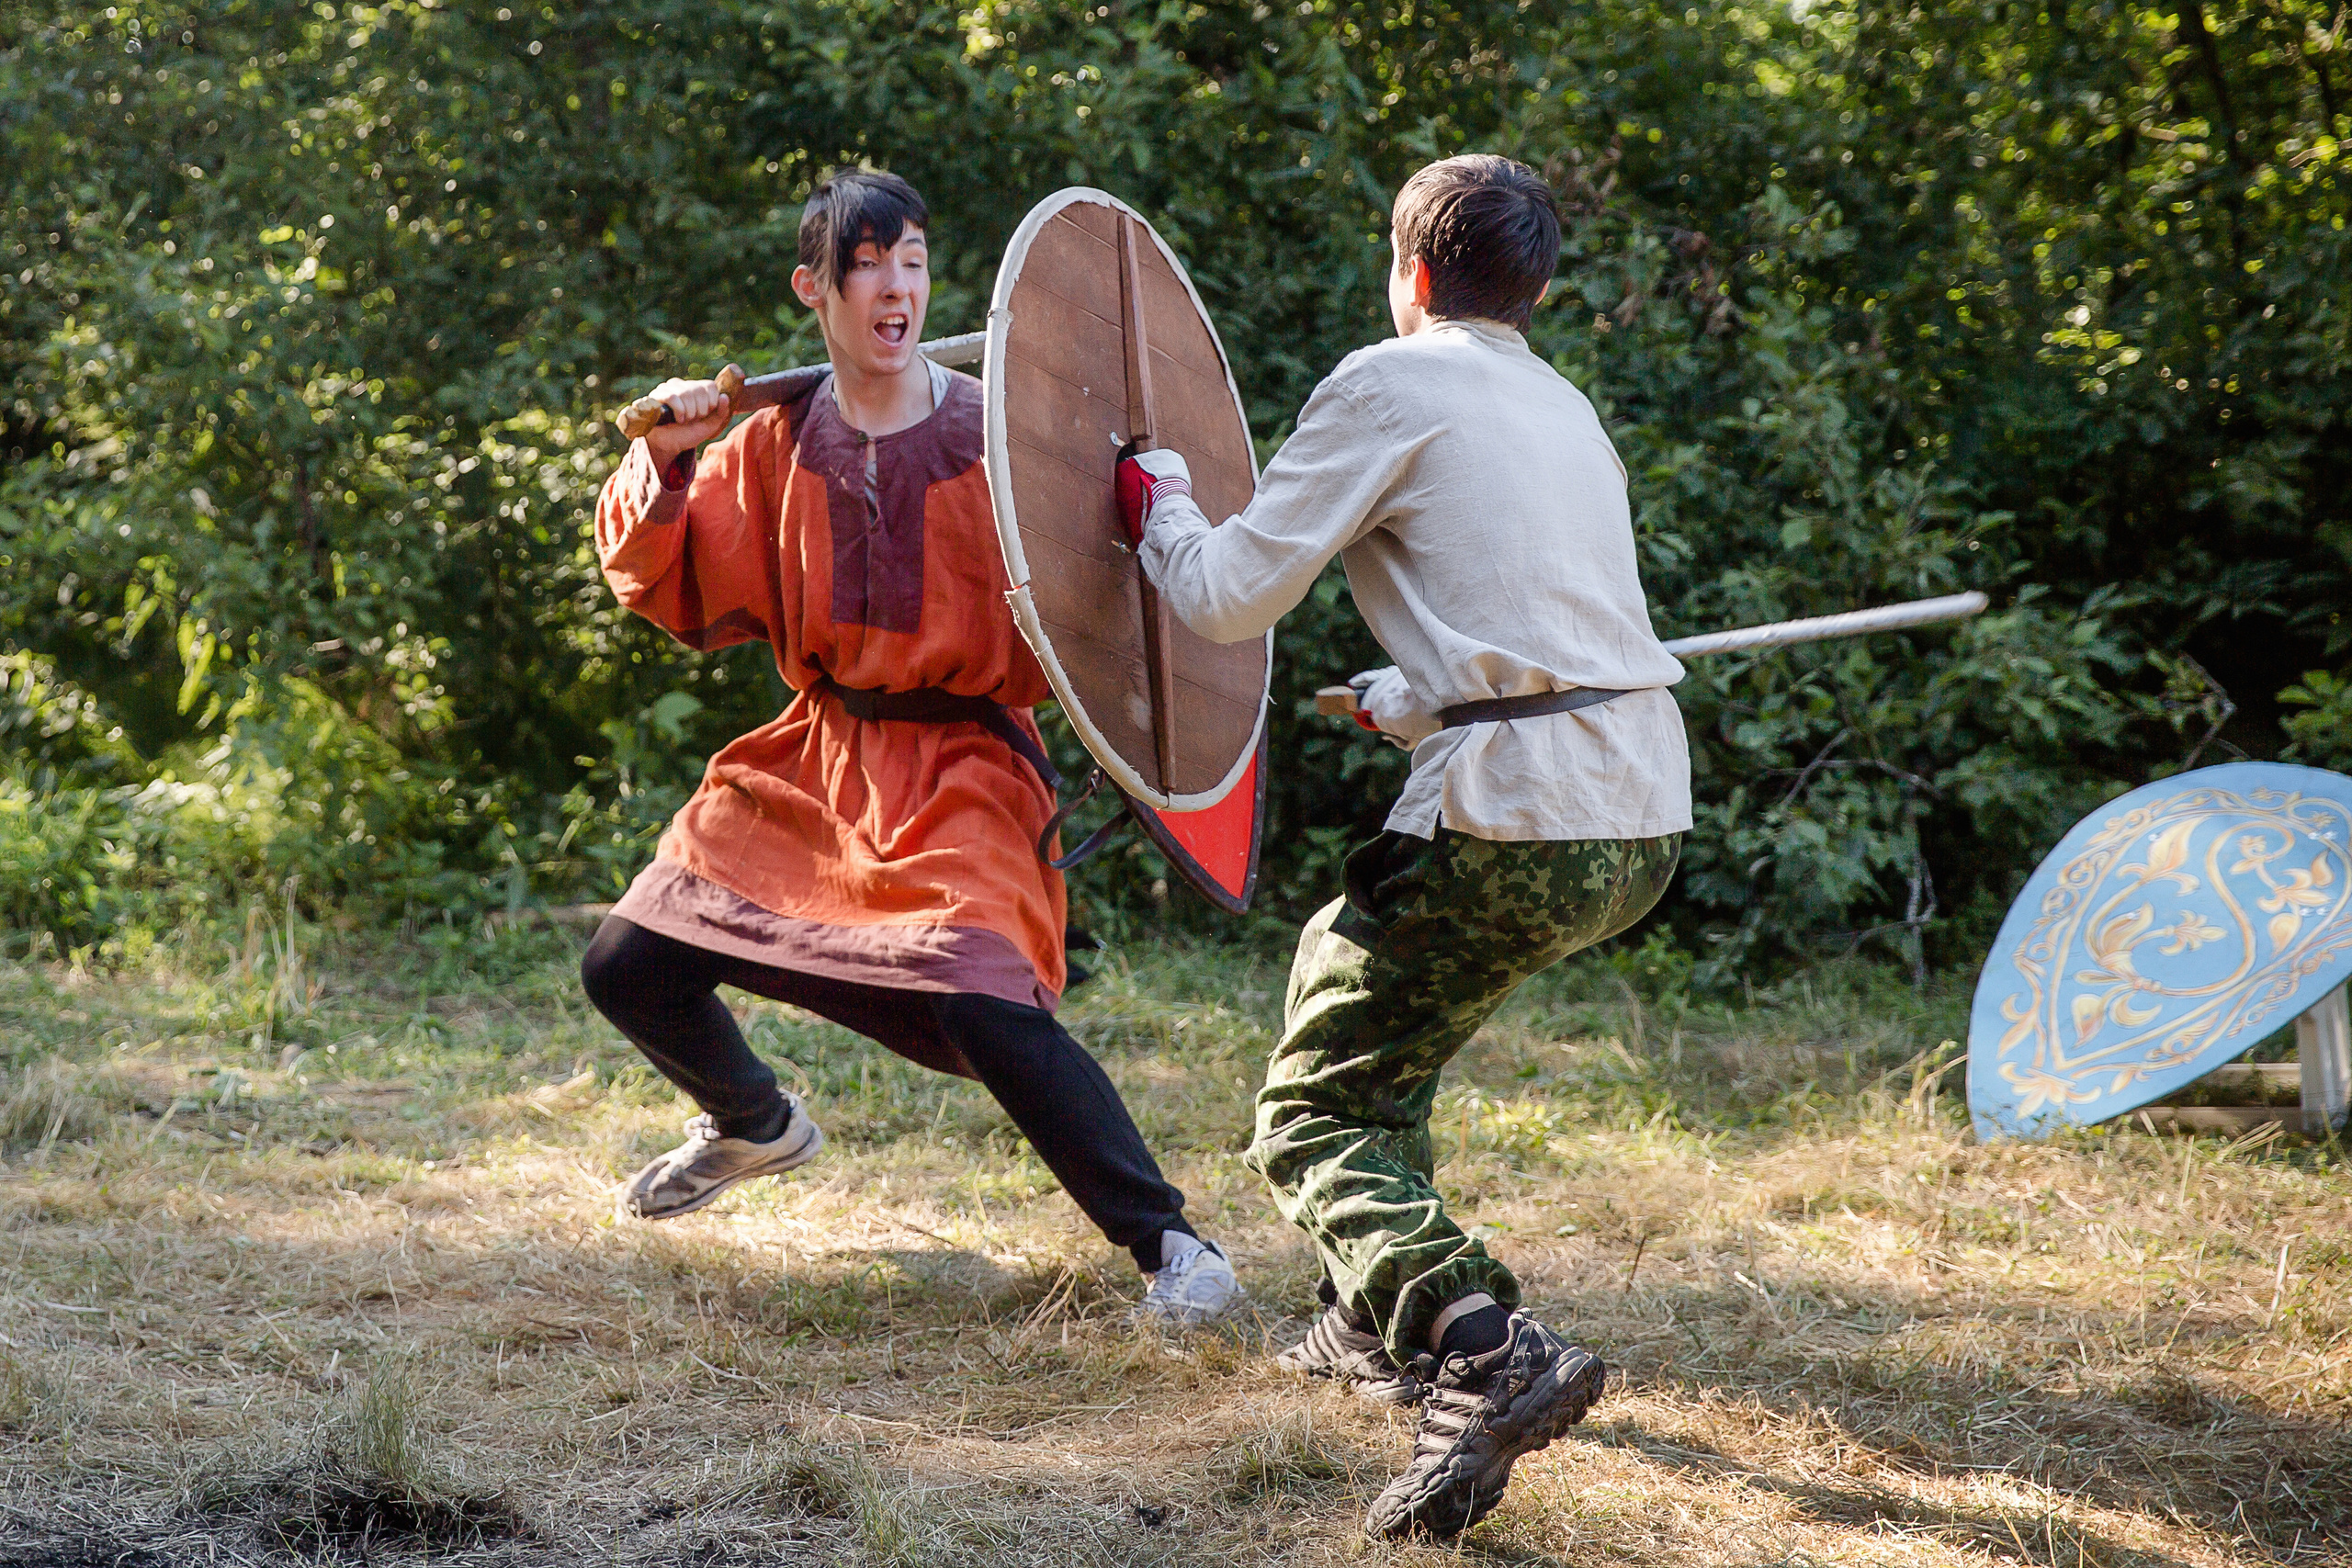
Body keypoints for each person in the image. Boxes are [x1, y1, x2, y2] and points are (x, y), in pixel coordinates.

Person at [1114, 153, 1690, 1534]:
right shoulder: (1565, 404)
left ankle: (1479, 1338)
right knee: (1374, 1005)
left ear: (1412, 271)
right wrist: (1418, 686)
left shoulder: (1390, 379)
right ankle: (1364, 1319)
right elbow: (1535, 622)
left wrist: (1158, 500)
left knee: (1314, 1109)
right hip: (1637, 810)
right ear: (1536, 290)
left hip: (1518, 813)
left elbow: (1225, 595)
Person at [582, 168, 1239, 1325]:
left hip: (966, 767)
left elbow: (1122, 587)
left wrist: (1140, 492)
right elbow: (658, 566)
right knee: (630, 964)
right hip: (817, 757)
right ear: (816, 290)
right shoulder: (777, 440)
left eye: (914, 263)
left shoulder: (1004, 437)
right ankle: (753, 1124)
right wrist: (674, 455)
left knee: (986, 1000)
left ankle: (1175, 1250)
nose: (896, 287)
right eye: (869, 265)